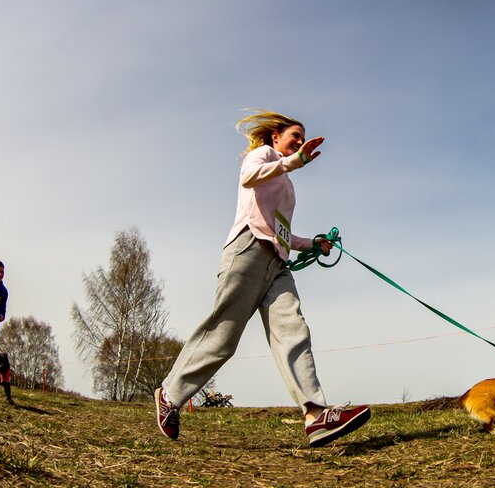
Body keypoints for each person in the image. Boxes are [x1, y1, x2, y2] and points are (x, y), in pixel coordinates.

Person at [154, 110, 370, 447]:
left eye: (301, 137)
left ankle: (315, 416)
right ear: (275, 138)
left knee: (293, 330)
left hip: (277, 264)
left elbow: (281, 232)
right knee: (223, 337)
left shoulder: (289, 185)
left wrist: (311, 243)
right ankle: (170, 394)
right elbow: (248, 178)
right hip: (248, 249)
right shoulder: (264, 156)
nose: (299, 141)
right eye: (294, 135)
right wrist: (292, 162)